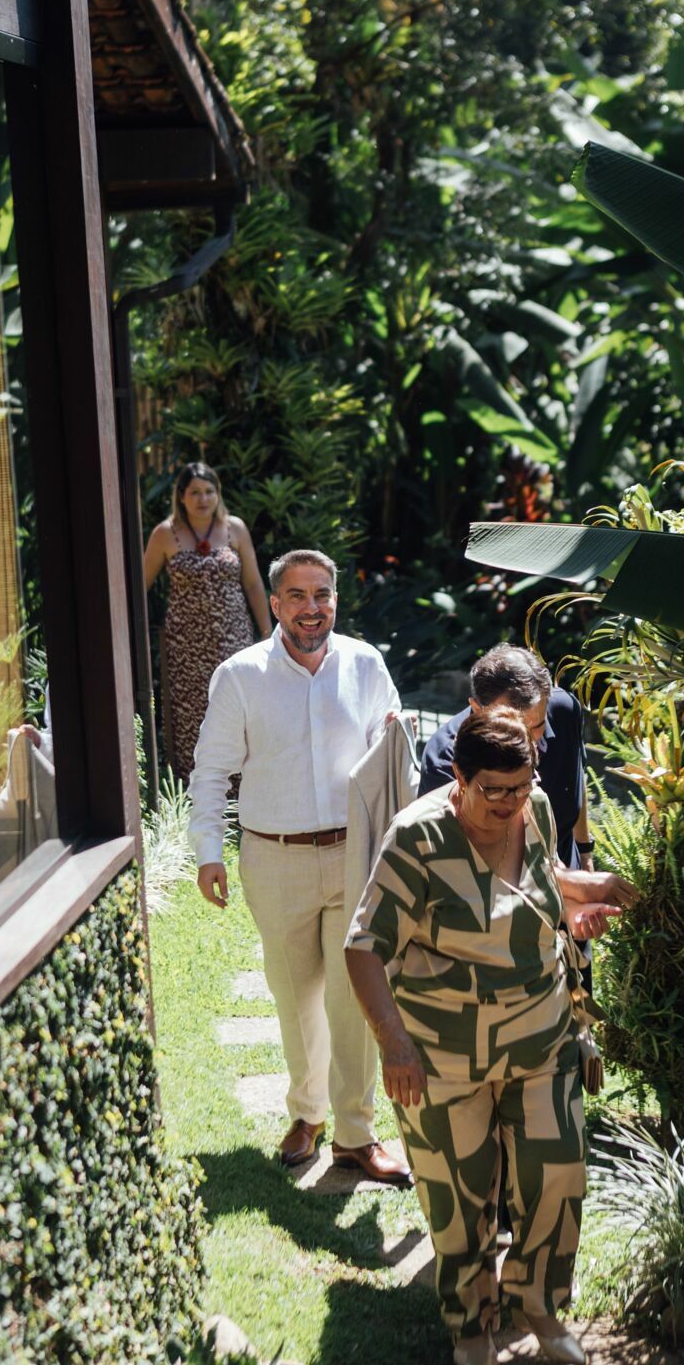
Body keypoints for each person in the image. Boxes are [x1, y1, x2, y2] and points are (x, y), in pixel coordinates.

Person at [345, 710, 639, 1365]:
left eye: (520, 786)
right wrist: (392, 1043)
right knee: (460, 1200)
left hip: (540, 1040)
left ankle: (536, 1305)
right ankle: (471, 1325)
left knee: (555, 1177)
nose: (509, 804)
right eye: (492, 792)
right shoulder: (414, 837)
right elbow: (363, 947)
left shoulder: (532, 804)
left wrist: (585, 892)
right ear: (458, 776)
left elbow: (538, 884)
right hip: (443, 1059)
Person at [188, 547, 410, 1183]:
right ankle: (306, 1114)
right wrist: (209, 851)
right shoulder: (240, 676)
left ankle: (356, 1136)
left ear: (335, 599)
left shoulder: (365, 664)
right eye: (298, 596)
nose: (312, 609)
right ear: (277, 604)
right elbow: (210, 772)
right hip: (274, 855)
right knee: (295, 996)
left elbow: (391, 754)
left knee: (354, 998)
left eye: (323, 595)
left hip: (354, 855)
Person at [144, 461, 271, 781]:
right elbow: (138, 585)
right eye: (195, 492)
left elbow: (254, 583)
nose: (203, 499)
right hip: (186, 645)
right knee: (192, 713)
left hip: (233, 637)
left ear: (218, 494)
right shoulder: (165, 534)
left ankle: (244, 787)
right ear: (181, 497)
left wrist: (268, 632)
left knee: (238, 707)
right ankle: (198, 785)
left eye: (209, 491)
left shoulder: (235, 529)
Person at [420, 645, 592, 872]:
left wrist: (586, 855)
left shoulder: (565, 711)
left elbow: (576, 780)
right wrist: (575, 885)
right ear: (477, 709)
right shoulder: (445, 760)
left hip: (566, 870)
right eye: (513, 729)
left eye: (537, 728)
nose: (526, 745)